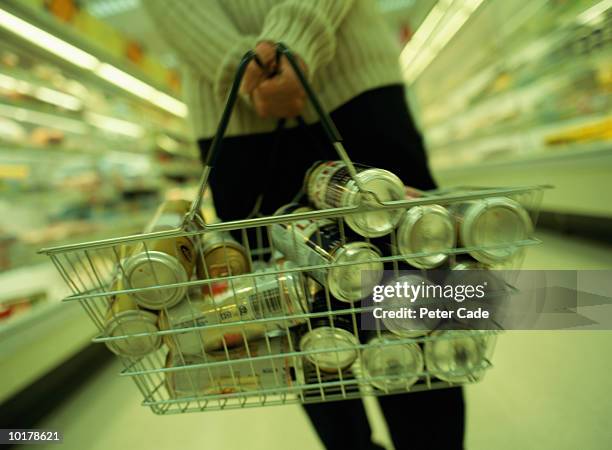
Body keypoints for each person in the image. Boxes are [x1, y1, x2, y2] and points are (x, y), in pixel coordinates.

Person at [145, 1, 463, 449]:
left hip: (351, 89)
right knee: (292, 314)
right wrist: (241, 66)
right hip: (238, 117)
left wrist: (288, 42)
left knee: (412, 297)